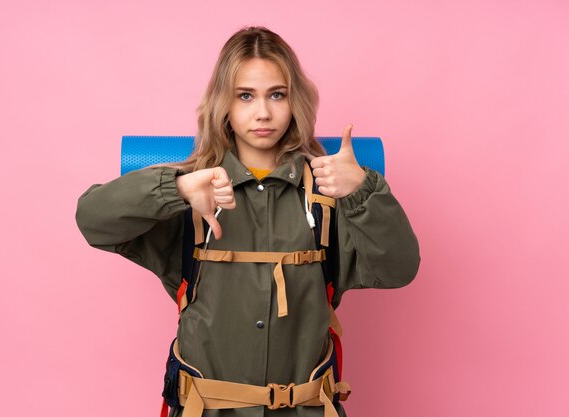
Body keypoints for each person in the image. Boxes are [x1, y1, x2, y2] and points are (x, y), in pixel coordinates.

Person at [76, 26, 420, 417]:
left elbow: (399, 270)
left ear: (295, 102)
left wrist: (362, 189)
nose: (263, 113)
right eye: (245, 96)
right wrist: (178, 190)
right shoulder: (189, 189)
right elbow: (92, 220)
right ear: (224, 103)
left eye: (277, 94)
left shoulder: (328, 194)